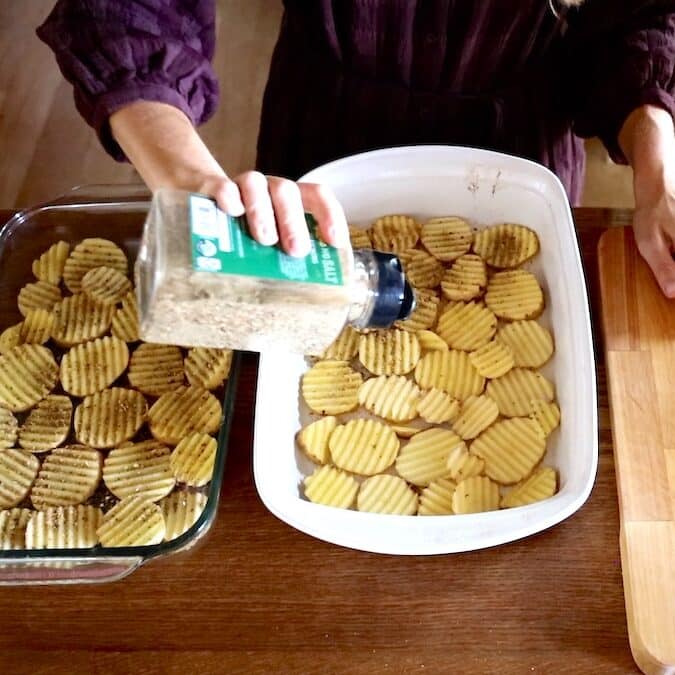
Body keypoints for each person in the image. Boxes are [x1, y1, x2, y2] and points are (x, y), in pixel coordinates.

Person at [38, 0, 675, 296]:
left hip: (517, 160)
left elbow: (639, 17)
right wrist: (184, 176)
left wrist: (659, 176)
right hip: (323, 138)